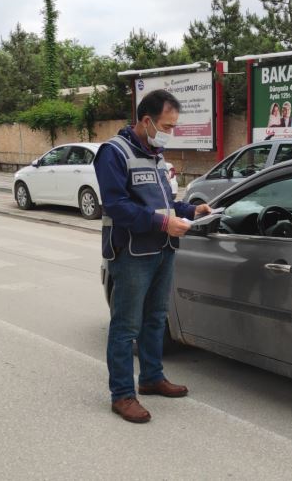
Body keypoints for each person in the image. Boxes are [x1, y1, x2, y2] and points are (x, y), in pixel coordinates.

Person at [94, 89, 211, 424]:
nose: (169, 133)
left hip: (162, 249)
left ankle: (150, 377)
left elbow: (164, 203)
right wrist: (164, 222)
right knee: (125, 325)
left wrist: (192, 209)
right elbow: (117, 206)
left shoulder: (156, 155)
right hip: (131, 254)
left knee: (156, 319)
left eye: (174, 126)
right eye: (166, 125)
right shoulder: (113, 153)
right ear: (146, 121)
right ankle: (122, 395)